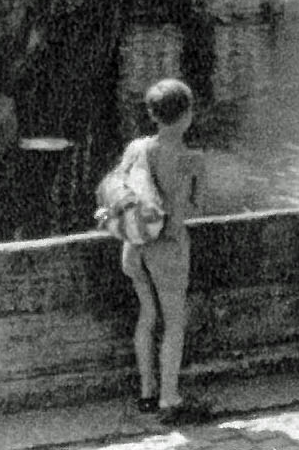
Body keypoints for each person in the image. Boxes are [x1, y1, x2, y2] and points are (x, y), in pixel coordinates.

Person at [121, 78, 211, 424]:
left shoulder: (136, 148)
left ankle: (146, 391)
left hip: (134, 246)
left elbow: (120, 188)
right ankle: (169, 397)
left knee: (146, 316)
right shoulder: (190, 159)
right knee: (174, 324)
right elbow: (196, 207)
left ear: (152, 114)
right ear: (187, 115)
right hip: (168, 249)